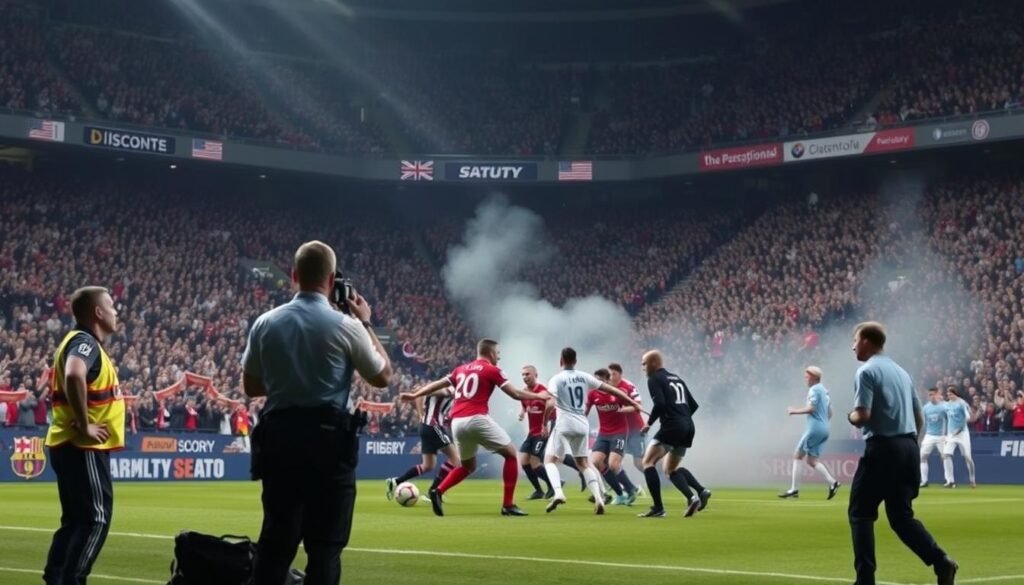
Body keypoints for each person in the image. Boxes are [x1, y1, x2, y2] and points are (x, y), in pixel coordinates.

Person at [243, 240, 393, 585]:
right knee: (324, 549)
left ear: (294, 275)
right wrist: (366, 323)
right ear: (332, 280)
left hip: (279, 441)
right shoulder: (346, 325)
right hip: (328, 443)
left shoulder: (265, 323)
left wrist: (291, 381)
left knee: (276, 544)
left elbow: (251, 387)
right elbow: (383, 376)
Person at [846, 321, 958, 585]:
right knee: (901, 518)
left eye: (855, 340)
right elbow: (919, 417)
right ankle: (941, 561)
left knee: (860, 513)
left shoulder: (866, 372)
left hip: (883, 448)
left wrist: (849, 417)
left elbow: (863, 415)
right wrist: (909, 444)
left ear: (866, 341)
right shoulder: (902, 373)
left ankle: (865, 579)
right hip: (908, 447)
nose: (852, 346)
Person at [400, 338, 538, 517]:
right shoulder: (492, 370)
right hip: (476, 418)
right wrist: (541, 396)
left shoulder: (461, 369)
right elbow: (516, 394)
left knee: (467, 466)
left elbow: (438, 383)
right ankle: (508, 505)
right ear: (490, 353)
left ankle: (438, 491)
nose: (499, 357)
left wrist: (414, 395)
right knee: (511, 455)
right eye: (498, 354)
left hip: (457, 423)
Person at [43, 286, 125, 585]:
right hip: (83, 446)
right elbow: (75, 374)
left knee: (75, 521)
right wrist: (86, 423)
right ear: (98, 313)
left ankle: (55, 578)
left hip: (68, 444)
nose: (116, 311)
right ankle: (72, 580)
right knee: (95, 519)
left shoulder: (77, 341)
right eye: (112, 305)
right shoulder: (85, 343)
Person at [542, 348, 641, 515]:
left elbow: (551, 403)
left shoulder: (556, 379)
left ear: (561, 361)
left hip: (564, 423)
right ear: (575, 361)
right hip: (582, 425)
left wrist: (544, 422)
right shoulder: (585, 376)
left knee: (549, 460)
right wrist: (632, 401)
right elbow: (612, 390)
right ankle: (599, 499)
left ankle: (558, 493)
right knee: (584, 463)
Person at [636, 350, 710, 519]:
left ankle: (658, 508)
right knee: (670, 469)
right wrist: (682, 420)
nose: (642, 367)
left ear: (654, 363)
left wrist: (648, 424)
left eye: (644, 363)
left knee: (648, 462)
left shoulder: (654, 378)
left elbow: (660, 404)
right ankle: (698, 493)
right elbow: (693, 405)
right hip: (688, 426)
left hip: (672, 426)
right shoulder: (677, 378)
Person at [385, 384, 460, 500]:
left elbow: (420, 392)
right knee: (456, 460)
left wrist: (421, 415)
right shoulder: (450, 388)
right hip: (434, 426)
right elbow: (425, 391)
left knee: (428, 465)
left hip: (425, 426)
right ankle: (434, 492)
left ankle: (395, 481)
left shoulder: (435, 385)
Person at [779, 366, 840, 500]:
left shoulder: (814, 390)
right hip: (825, 428)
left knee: (797, 455)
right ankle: (833, 482)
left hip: (815, 428)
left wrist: (793, 411)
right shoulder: (824, 391)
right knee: (812, 461)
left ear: (813, 376)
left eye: (807, 376)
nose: (805, 379)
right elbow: (830, 413)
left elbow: (811, 408)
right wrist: (822, 422)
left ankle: (794, 490)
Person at [587, 369, 640, 505]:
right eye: (595, 379)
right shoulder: (593, 394)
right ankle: (620, 494)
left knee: (613, 464)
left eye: (599, 379)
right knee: (595, 463)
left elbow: (635, 407)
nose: (596, 382)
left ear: (607, 380)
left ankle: (631, 489)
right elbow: (585, 412)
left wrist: (623, 409)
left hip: (619, 432)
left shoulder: (617, 392)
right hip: (603, 433)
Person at [517, 365, 557, 500]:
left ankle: (554, 485)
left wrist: (545, 425)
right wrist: (522, 413)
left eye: (527, 374)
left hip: (542, 431)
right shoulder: (524, 392)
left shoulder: (543, 391)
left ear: (535, 375)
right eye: (523, 375)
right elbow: (524, 405)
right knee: (523, 462)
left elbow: (552, 406)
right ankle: (538, 490)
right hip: (531, 432)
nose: (525, 377)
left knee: (534, 461)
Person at [609, 363, 645, 494]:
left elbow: (639, 405)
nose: (611, 377)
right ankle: (627, 488)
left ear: (620, 374)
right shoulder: (607, 387)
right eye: (610, 374)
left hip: (635, 429)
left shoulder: (628, 386)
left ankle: (656, 478)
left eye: (614, 374)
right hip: (619, 430)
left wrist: (623, 410)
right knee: (612, 461)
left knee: (639, 463)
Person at [941, 387, 977, 489]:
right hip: (951, 434)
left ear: (955, 394)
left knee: (967, 457)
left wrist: (960, 428)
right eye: (948, 394)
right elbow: (943, 415)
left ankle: (972, 479)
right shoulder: (947, 404)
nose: (949, 396)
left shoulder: (962, 403)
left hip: (962, 433)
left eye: (950, 394)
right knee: (946, 455)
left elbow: (968, 417)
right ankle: (950, 481)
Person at [919, 387, 950, 488]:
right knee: (922, 457)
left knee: (945, 457)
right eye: (930, 395)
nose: (932, 397)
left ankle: (949, 480)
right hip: (929, 435)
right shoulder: (926, 408)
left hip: (941, 436)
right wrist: (922, 435)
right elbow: (925, 423)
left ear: (938, 394)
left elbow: (949, 420)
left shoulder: (944, 407)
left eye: (933, 394)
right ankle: (924, 481)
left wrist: (947, 435)